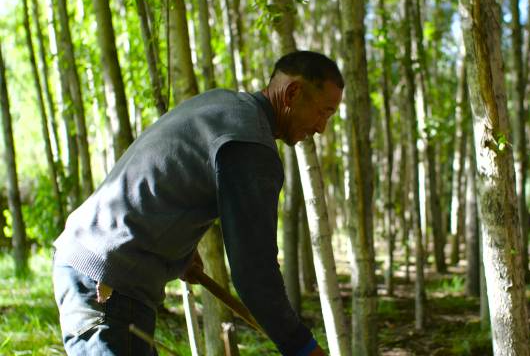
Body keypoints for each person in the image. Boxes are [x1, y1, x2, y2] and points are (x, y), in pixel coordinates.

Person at [51, 50, 343, 356]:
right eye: (323, 112)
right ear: (293, 92)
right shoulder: (251, 145)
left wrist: (179, 252)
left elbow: (171, 172)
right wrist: (302, 347)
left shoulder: (224, 106)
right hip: (106, 283)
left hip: (97, 266)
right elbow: (255, 274)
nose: (321, 127)